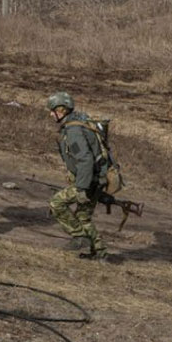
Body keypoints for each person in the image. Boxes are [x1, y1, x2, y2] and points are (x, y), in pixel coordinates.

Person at [46, 91, 109, 260]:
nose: (51, 114)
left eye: (53, 110)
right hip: (96, 179)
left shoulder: (73, 130)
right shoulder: (80, 121)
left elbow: (85, 160)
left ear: (62, 109)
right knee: (83, 217)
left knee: (56, 203)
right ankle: (100, 254)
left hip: (88, 183)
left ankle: (79, 237)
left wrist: (81, 189)